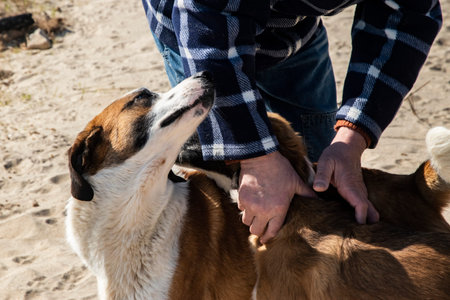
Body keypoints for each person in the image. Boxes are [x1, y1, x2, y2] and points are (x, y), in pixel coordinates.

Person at [142, 0, 442, 243]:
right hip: (198, 27)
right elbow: (206, 22)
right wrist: (256, 160)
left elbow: (407, 15)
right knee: (235, 192)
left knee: (320, 184)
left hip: (294, 29)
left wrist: (351, 138)